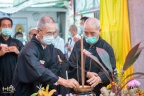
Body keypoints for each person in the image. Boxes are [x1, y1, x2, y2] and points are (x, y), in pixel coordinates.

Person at [12, 16, 79, 96]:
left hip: (44, 88)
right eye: (48, 33)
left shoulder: (49, 46)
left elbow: (55, 65)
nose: (51, 36)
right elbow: (38, 70)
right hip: (26, 90)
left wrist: (51, 78)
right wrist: (62, 81)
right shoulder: (28, 50)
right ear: (38, 32)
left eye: (53, 33)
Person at [68, 18, 116, 96]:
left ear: (99, 31)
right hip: (78, 90)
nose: (89, 36)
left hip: (98, 91)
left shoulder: (106, 48)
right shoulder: (78, 45)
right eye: (86, 33)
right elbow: (71, 66)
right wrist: (86, 74)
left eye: (92, 33)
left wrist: (100, 78)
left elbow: (111, 70)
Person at [0, 17, 24, 96]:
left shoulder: (18, 43)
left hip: (14, 78)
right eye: (4, 26)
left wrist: (18, 52)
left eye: (9, 26)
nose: (7, 28)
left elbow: (27, 59)